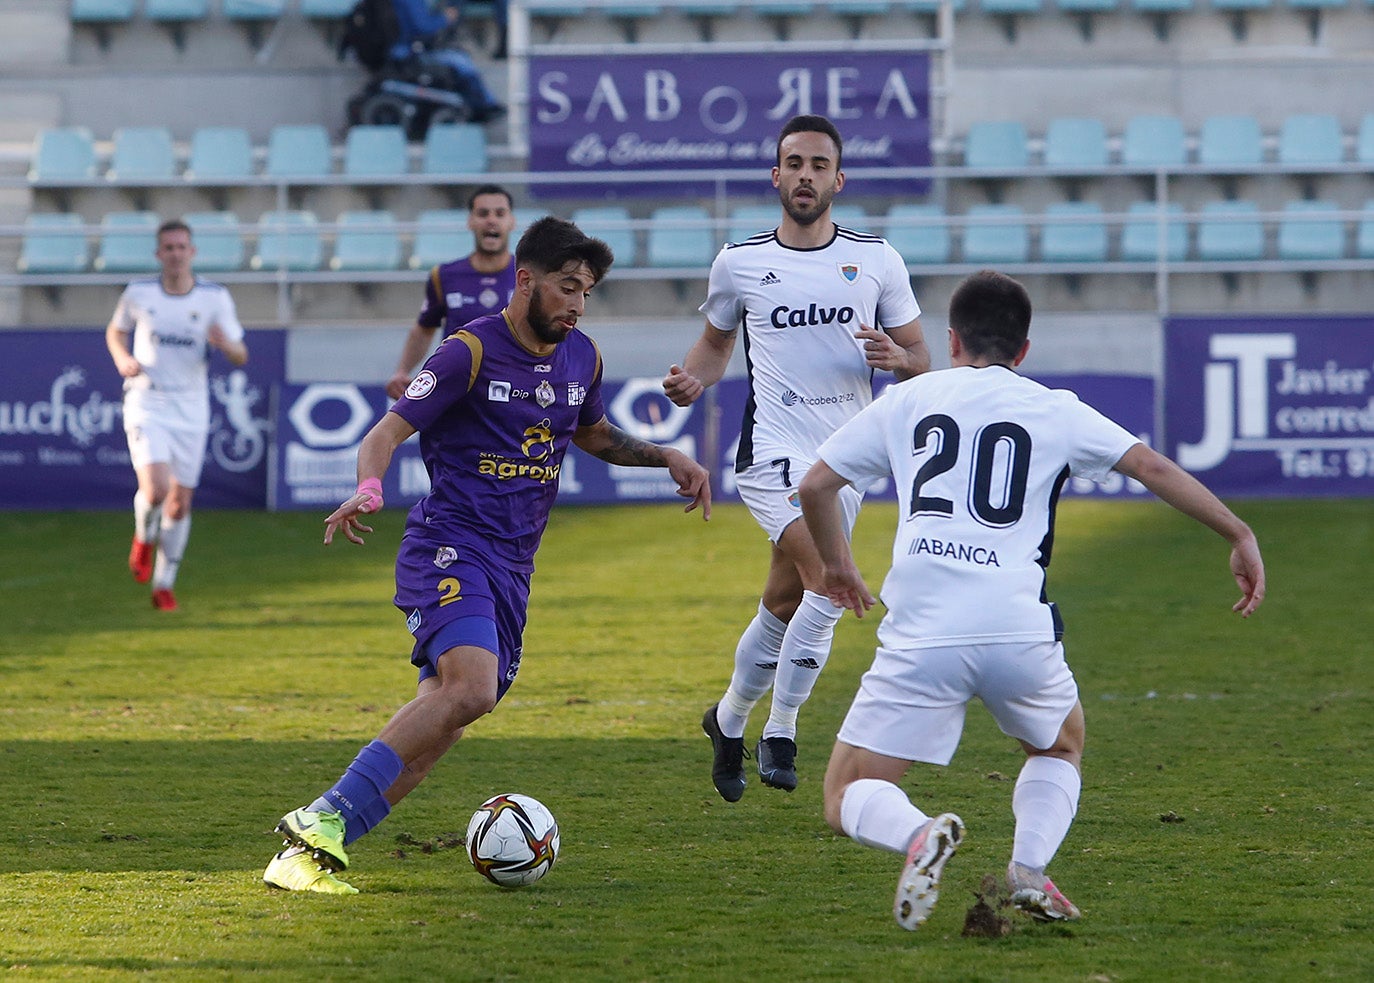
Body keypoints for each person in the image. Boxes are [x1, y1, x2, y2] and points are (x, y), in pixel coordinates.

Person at [798, 269, 1266, 930]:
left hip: (925, 630)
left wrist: (838, 566)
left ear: (952, 339)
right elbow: (1152, 467)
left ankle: (919, 835)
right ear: (1023, 350)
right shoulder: (1055, 407)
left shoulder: (912, 398)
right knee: (1060, 744)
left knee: (845, 788)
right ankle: (1027, 867)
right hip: (1018, 627)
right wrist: (1238, 531)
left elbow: (817, 486)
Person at [264, 216, 712, 894]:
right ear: (525, 280)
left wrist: (666, 456)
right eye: (567, 287)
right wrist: (367, 488)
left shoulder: (581, 356)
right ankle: (318, 815)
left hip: (512, 567)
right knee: (469, 687)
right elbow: (385, 432)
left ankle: (305, 857)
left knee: (445, 723)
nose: (577, 304)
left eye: (587, 292)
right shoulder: (467, 351)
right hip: (450, 546)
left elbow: (591, 433)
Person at [662, 114, 930, 802]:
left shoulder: (877, 259)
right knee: (825, 577)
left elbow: (920, 359)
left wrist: (898, 359)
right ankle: (780, 728)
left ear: (838, 179)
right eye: (794, 163)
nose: (805, 175)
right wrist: (694, 379)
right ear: (775, 175)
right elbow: (716, 344)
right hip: (771, 451)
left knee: (785, 597)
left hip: (847, 459)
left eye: (818, 165)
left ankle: (726, 721)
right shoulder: (739, 261)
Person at [105, 219, 249, 613]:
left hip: (191, 405)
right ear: (158, 254)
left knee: (180, 504)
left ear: (192, 252)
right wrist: (123, 358)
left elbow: (241, 354)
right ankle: (142, 538)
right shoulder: (139, 293)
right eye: (168, 248)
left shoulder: (214, 298)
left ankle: (164, 585)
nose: (175, 254)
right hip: (147, 400)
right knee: (154, 490)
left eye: (181, 247)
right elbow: (115, 332)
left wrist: (226, 345)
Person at [386, 184, 517, 400]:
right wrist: (402, 371)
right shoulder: (445, 275)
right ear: (470, 221)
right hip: (456, 391)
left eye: (500, 213)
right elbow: (424, 329)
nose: (491, 220)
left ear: (511, 222)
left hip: (510, 392)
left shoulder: (529, 277)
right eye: (483, 213)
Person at [390, 0, 506, 123]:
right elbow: (423, 27)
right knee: (461, 62)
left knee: (460, 56)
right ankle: (482, 105)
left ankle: (484, 102)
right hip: (411, 51)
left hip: (412, 47)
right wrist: (446, 18)